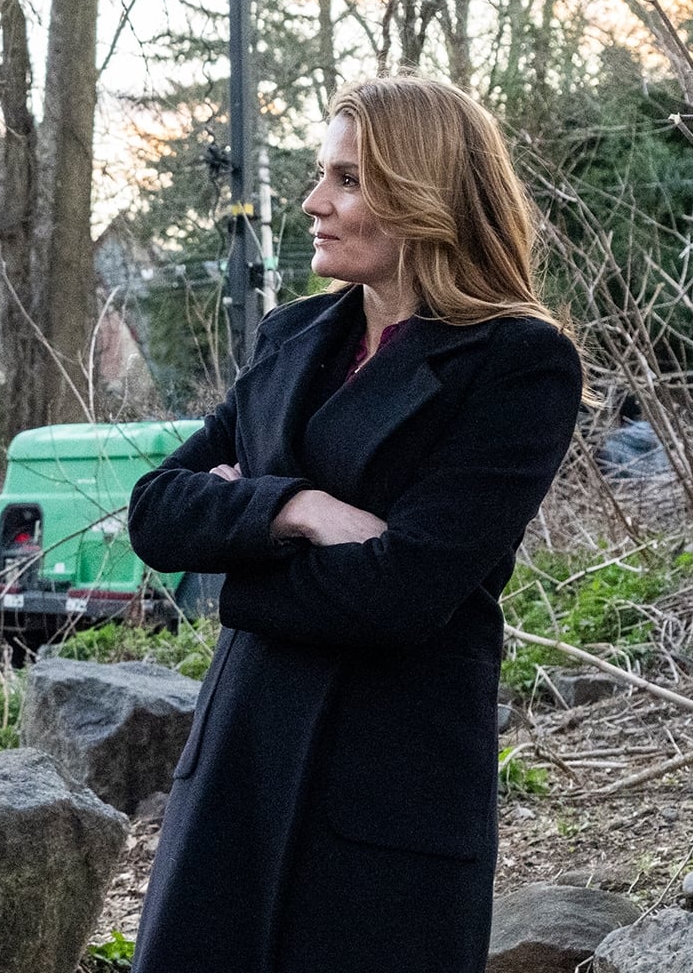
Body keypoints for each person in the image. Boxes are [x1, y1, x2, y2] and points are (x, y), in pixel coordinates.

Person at [124, 75, 585, 973]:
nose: (313, 202)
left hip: (386, 802)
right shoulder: (289, 338)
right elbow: (155, 513)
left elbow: (402, 592)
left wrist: (237, 551)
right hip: (236, 775)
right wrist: (297, 508)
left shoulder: (518, 363)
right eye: (320, 174)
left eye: (347, 180)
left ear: (424, 196)